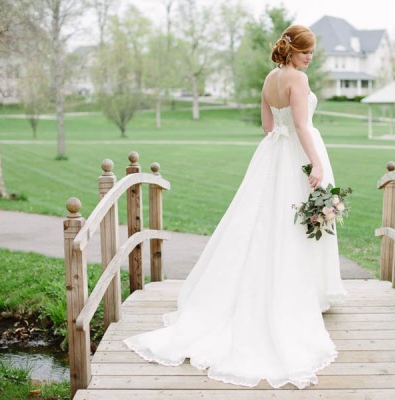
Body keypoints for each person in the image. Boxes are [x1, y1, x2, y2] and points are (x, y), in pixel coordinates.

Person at [124, 24, 347, 389]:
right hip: (298, 156)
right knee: (295, 224)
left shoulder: (270, 78)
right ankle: (296, 294)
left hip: (272, 153)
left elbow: (266, 125)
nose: (311, 58)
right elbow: (303, 127)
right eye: (307, 53)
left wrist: (282, 138)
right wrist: (317, 165)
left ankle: (281, 287)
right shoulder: (298, 80)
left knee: (265, 222)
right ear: (293, 52)